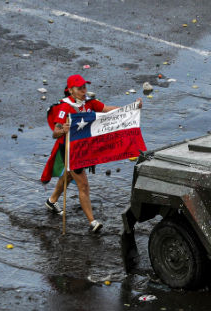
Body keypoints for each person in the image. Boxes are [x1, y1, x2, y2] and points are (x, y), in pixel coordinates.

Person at [43, 74, 141, 233]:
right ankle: (92, 222)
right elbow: (55, 132)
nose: (84, 90)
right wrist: (63, 130)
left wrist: (131, 108)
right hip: (70, 150)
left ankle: (51, 200)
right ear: (71, 90)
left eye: (84, 87)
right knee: (84, 185)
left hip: (84, 148)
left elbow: (108, 110)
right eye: (80, 88)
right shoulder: (64, 107)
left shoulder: (89, 103)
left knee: (68, 175)